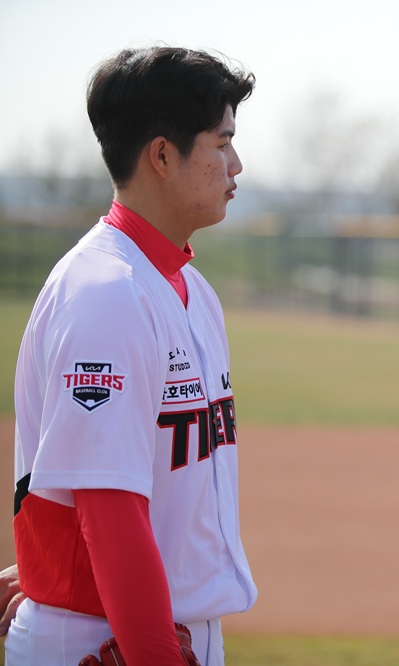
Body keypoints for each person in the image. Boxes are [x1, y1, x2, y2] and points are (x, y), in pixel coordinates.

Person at [6, 46, 258, 665]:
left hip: (159, 632)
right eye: (221, 142)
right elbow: (109, 510)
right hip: (107, 639)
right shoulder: (107, 293)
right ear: (163, 156)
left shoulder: (189, 288)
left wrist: (48, 561)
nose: (237, 163)